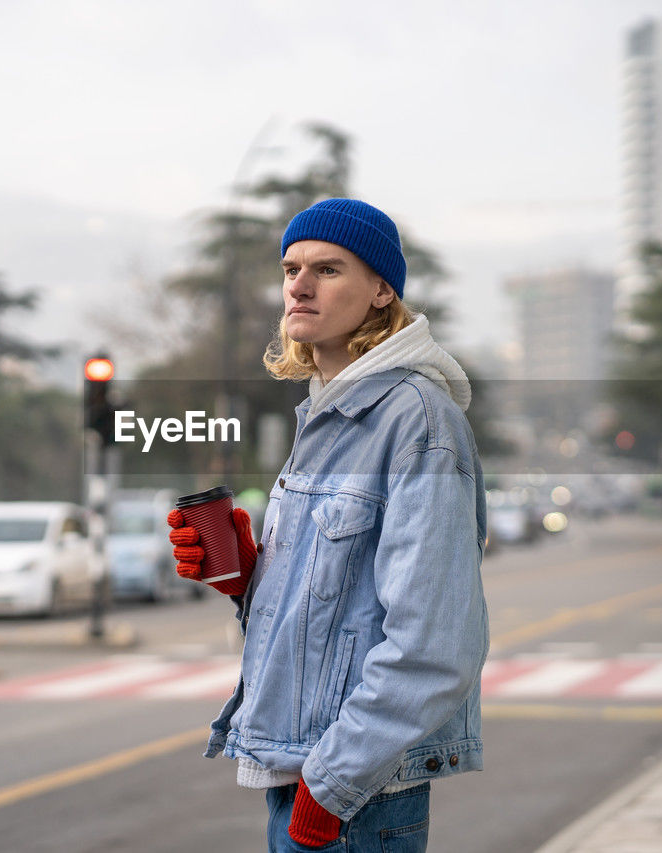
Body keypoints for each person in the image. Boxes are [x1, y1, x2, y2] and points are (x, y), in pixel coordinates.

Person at [167, 198, 489, 852]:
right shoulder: (325, 415)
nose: (300, 283)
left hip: (352, 795)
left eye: (329, 268)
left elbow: (435, 641)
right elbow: (334, 610)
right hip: (306, 771)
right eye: (291, 267)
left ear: (382, 290)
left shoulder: (415, 422)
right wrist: (246, 577)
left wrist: (332, 784)